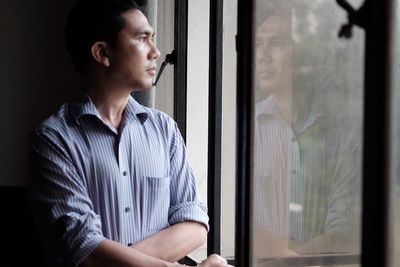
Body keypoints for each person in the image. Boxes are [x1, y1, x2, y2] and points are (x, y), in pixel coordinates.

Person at [28, 0, 233, 266]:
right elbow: (82, 248)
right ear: (102, 52)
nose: (156, 52)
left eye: (153, 39)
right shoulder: (52, 140)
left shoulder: (164, 129)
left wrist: (111, 258)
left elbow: (194, 225)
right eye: (142, 39)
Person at [252, 0, 362, 260]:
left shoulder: (340, 134)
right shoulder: (246, 130)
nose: (262, 55)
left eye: (277, 43)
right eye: (258, 44)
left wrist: (286, 257)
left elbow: (343, 233)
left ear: (302, 54)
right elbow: (240, 233)